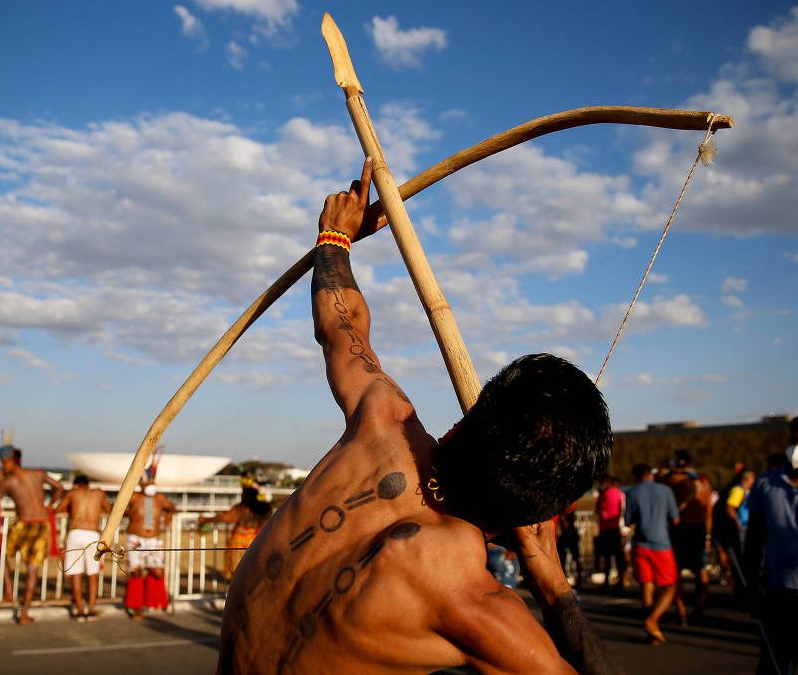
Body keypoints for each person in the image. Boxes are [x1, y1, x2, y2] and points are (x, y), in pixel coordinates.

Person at [218, 159, 620, 674]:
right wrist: (553, 584)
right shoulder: (472, 606)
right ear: (537, 516)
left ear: (462, 424)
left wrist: (335, 237)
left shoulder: (382, 420)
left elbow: (341, 330)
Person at [743, 417, 798, 675]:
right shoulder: (765, 484)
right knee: (772, 663)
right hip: (779, 592)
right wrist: (750, 584)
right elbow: (754, 539)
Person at [0, 444, 64, 625]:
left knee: (25, 565)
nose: (3, 467)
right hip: (40, 523)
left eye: (4, 463)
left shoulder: (9, 481)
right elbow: (59, 488)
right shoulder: (37, 474)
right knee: (29, 568)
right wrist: (49, 506)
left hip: (27, 524)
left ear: (10, 461)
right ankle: (18, 603)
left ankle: (10, 592)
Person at [625, 463, 680, 645]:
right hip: (661, 543)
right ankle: (652, 620)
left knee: (646, 586)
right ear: (650, 474)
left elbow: (628, 521)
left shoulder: (632, 493)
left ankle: (652, 633)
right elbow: (675, 518)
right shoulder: (665, 490)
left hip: (640, 544)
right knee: (670, 586)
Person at [662, 449, 713, 623]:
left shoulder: (674, 480)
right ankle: (700, 607)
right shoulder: (704, 483)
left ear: (681, 462)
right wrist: (708, 537)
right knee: (701, 569)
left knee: (676, 572)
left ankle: (681, 610)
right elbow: (708, 513)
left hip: (680, 528)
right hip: (699, 529)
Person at [123, 461, 176, 619]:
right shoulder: (134, 497)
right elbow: (117, 507)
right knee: (136, 572)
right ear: (142, 483)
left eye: (153, 482)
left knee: (158, 572)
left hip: (154, 539)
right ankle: (136, 607)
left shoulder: (160, 499)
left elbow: (171, 507)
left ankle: (155, 600)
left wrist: (169, 516)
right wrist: (128, 513)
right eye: (148, 482)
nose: (151, 485)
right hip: (136, 539)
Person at [54, 474, 111, 620]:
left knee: (76, 574)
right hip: (93, 535)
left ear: (76, 484)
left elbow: (57, 509)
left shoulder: (73, 492)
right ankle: (91, 610)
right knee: (92, 575)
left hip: (76, 533)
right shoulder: (99, 493)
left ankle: (80, 610)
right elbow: (108, 509)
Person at [199, 474, 273, 580]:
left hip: (239, 545)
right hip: (258, 543)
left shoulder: (243, 508)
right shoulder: (266, 509)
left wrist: (206, 520)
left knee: (239, 577)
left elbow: (225, 517)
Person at [594, 474, 628, 591]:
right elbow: (623, 511)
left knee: (607, 556)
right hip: (616, 528)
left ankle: (607, 582)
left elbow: (597, 510)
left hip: (606, 529)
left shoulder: (604, 494)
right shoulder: (620, 494)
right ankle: (621, 580)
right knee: (619, 557)